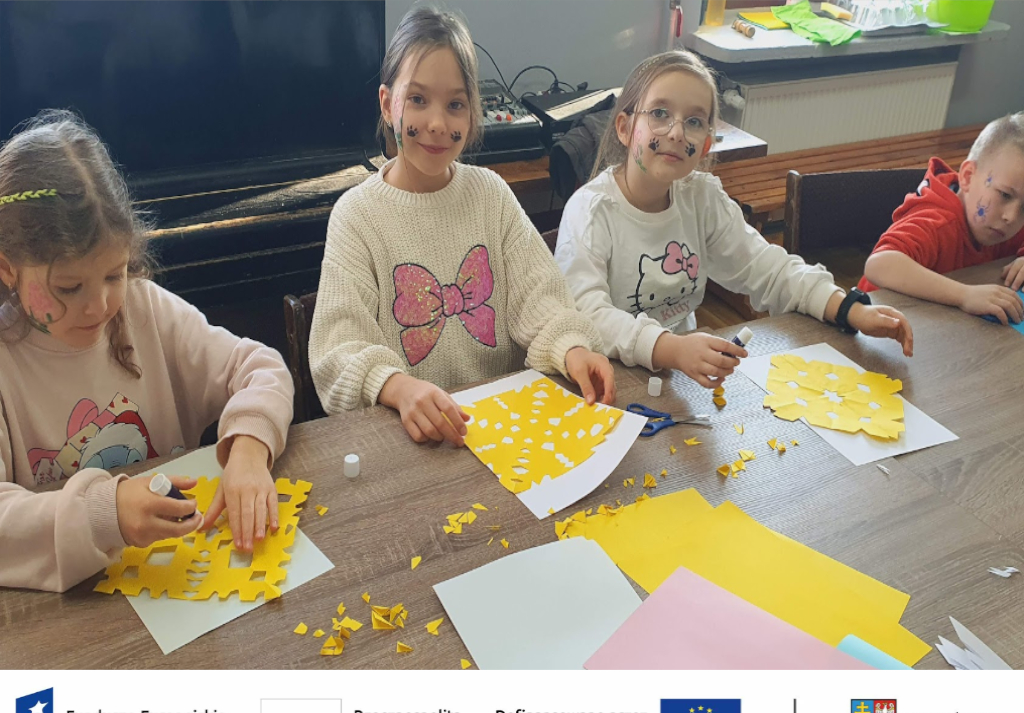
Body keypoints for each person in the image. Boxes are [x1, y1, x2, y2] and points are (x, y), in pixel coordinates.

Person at [0, 111, 294, 591]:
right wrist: (104, 513)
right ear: (7, 269)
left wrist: (249, 446)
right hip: (75, 613)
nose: (99, 305)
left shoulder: (143, 309)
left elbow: (261, 367)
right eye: (69, 287)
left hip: (181, 583)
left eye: (113, 274)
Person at [309, 6, 614, 447]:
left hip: (504, 431)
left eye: (455, 105)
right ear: (387, 104)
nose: (437, 123)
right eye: (418, 100)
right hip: (407, 442)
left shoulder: (491, 194)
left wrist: (572, 347)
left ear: (473, 114)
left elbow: (541, 299)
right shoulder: (356, 216)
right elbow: (338, 351)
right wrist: (397, 386)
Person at [555, 51, 913, 389]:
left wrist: (847, 308)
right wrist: (670, 348)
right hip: (608, 382)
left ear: (706, 145)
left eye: (694, 121)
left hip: (681, 380)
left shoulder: (701, 197)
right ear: (624, 128)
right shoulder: (591, 211)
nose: (676, 133)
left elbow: (767, 268)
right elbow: (586, 315)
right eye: (660, 113)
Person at [860, 112, 1024, 325]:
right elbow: (879, 265)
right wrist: (965, 295)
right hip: (874, 327)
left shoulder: (1003, 221)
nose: (1011, 217)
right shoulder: (937, 222)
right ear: (967, 177)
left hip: (940, 327)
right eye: (1004, 195)